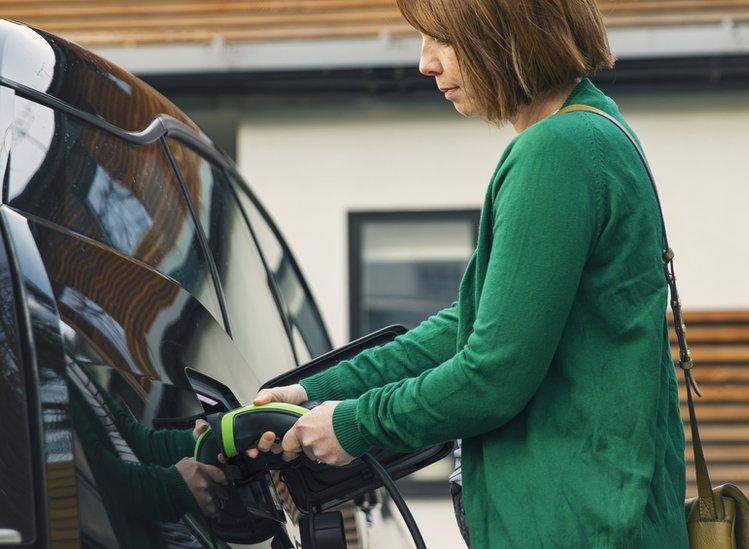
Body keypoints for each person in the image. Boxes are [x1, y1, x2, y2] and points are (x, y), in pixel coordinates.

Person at [246, 0, 689, 546]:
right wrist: (315, 391)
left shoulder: (557, 153)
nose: (425, 63)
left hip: (574, 527)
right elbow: (472, 325)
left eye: (442, 38)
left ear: (506, 32)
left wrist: (355, 424)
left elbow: (492, 376)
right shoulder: (594, 132)